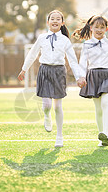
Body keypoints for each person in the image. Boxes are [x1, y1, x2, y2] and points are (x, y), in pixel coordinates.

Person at [18, 10, 86, 148]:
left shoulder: (65, 40)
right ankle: (46, 116)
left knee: (58, 106)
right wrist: (24, 69)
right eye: (52, 19)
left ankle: (59, 136)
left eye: (58, 19)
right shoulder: (42, 38)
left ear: (62, 23)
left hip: (59, 72)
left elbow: (73, 60)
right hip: (44, 71)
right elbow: (32, 54)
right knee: (47, 105)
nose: (55, 21)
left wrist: (79, 77)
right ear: (48, 22)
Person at [73, 15, 108, 147]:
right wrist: (81, 77)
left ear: (106, 29)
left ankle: (106, 134)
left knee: (105, 102)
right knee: (98, 108)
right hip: (93, 75)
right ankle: (101, 137)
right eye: (96, 27)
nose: (99, 30)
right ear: (91, 28)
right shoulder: (86, 45)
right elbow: (82, 62)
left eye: (102, 27)